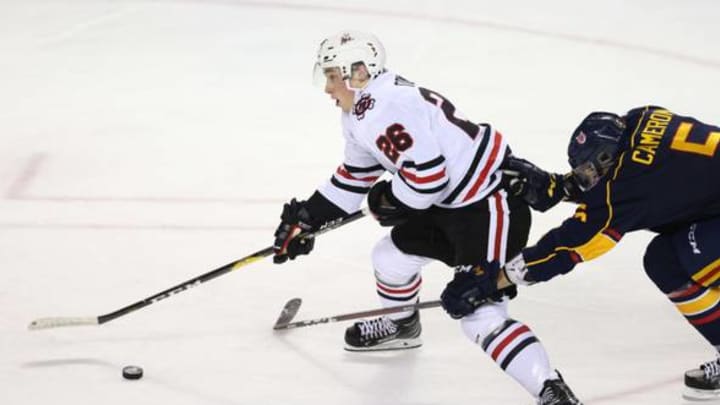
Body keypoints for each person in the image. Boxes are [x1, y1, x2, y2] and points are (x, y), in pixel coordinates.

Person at [271, 30, 582, 404]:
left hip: (488, 205)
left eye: (332, 77)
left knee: (479, 312)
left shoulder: (385, 107)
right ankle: (403, 324)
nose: (326, 88)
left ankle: (550, 390)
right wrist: (309, 216)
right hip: (449, 204)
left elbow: (427, 178)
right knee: (389, 258)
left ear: (358, 72)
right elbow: (357, 176)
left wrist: (389, 199)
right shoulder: (363, 110)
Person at [439, 105, 720, 400]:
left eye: (590, 171)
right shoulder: (643, 116)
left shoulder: (627, 184)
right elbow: (651, 186)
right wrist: (560, 187)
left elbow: (570, 245)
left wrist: (495, 280)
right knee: (667, 259)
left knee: (683, 257)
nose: (589, 178)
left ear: (604, 157)